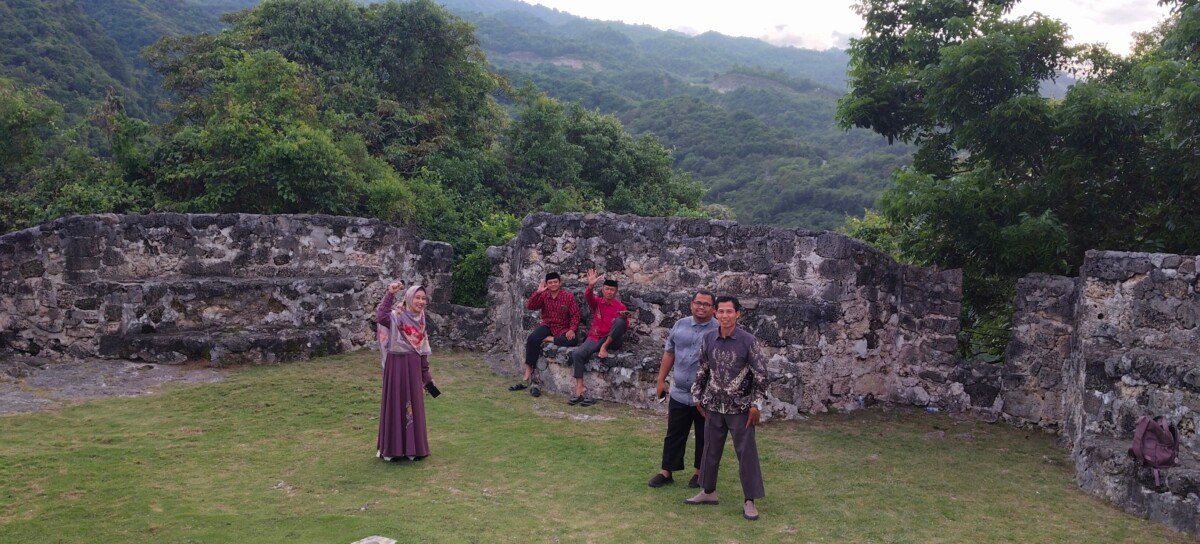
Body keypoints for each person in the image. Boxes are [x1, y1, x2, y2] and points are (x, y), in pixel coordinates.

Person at [685, 295, 769, 521]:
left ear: (737, 314)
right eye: (721, 311)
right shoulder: (708, 338)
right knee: (710, 449)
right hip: (713, 405)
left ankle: (749, 500)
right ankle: (708, 491)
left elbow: (761, 375)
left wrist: (756, 404)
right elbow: (702, 368)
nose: (725, 316)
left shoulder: (748, 341)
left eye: (729, 311)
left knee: (746, 454)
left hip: (741, 408)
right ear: (715, 313)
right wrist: (697, 396)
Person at [649, 290, 718, 489]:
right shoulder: (680, 325)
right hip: (679, 392)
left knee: (705, 435)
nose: (701, 307)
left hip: (705, 395)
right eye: (698, 303)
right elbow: (669, 353)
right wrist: (661, 380)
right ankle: (666, 472)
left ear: (713, 309)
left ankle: (699, 472)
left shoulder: (718, 330)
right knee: (674, 433)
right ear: (691, 304)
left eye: (706, 304)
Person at [375, 282, 436, 462]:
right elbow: (381, 317)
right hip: (396, 367)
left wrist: (428, 380)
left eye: (423, 298)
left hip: (413, 368)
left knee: (414, 406)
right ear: (409, 298)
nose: (421, 301)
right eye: (417, 297)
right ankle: (391, 450)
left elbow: (422, 352)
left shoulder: (421, 321)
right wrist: (390, 294)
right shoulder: (397, 316)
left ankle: (413, 450)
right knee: (395, 403)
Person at [510, 272, 580, 397]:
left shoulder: (568, 296)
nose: (553, 284)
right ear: (547, 284)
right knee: (532, 338)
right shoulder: (544, 295)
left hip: (563, 328)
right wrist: (538, 292)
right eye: (550, 282)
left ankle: (548, 339)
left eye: (555, 282)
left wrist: (572, 329)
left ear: (560, 283)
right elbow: (530, 306)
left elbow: (575, 315)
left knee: (573, 340)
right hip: (548, 326)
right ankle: (529, 368)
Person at [567, 268, 628, 407]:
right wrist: (590, 285)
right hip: (596, 336)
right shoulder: (598, 302)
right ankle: (580, 387)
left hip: (612, 340)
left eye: (612, 290)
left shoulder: (620, 306)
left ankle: (604, 347)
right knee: (577, 354)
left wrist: (622, 320)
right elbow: (588, 297)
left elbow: (623, 328)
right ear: (603, 290)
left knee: (620, 321)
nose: (609, 292)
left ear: (616, 292)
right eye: (607, 289)